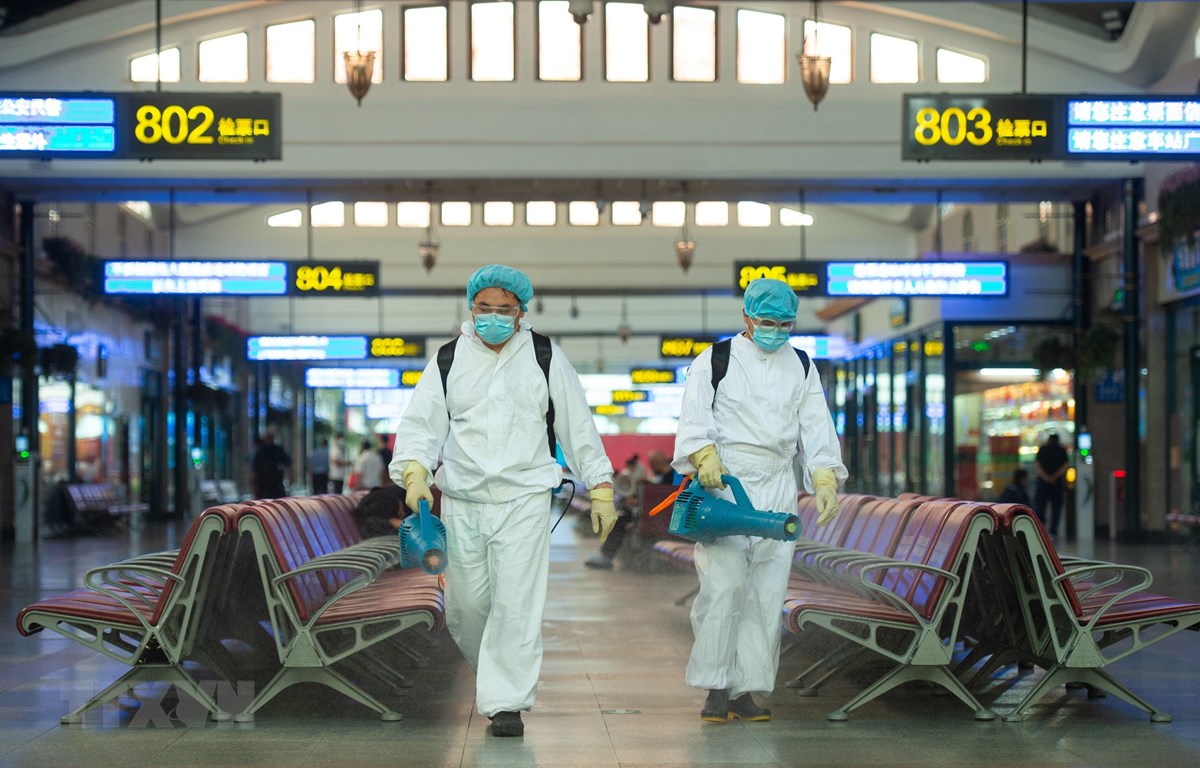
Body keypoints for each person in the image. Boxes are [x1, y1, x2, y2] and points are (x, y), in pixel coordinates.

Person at [390, 264, 616, 738]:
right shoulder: (448, 359)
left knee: (516, 605)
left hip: (524, 499)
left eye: (504, 310)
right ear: (471, 308)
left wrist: (601, 486)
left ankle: (506, 705)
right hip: (463, 499)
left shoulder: (544, 357)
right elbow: (421, 424)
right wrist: (413, 471)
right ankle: (496, 678)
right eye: (484, 308)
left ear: (521, 312)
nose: (492, 317)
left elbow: (576, 424)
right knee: (466, 608)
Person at [672, 277, 847, 724]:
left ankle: (744, 691)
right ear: (747, 317)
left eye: (785, 324)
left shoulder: (801, 365)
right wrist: (704, 456)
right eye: (767, 322)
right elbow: (694, 416)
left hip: (778, 483)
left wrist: (824, 477)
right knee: (724, 585)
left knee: (766, 592)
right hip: (726, 483)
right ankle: (715, 686)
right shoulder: (716, 359)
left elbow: (816, 425)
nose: (776, 331)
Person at [584, 449, 680, 570]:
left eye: (651, 464)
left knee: (621, 519)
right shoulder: (670, 476)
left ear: (657, 463)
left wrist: (642, 496)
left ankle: (606, 556)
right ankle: (607, 555)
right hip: (659, 515)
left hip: (656, 517)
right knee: (623, 514)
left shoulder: (669, 477)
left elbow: (661, 497)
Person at [1034, 433, 1069, 535]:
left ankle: (1040, 530)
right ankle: (1053, 531)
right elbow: (1065, 465)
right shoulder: (1062, 450)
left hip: (1043, 483)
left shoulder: (1042, 449)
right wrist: (1055, 476)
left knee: (1041, 507)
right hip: (1057, 483)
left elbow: (1038, 465)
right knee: (1056, 509)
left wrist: (1045, 477)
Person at [251, 429, 291, 500]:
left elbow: (287, 465)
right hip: (265, 484)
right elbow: (255, 470)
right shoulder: (262, 451)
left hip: (274, 483)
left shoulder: (276, 450)